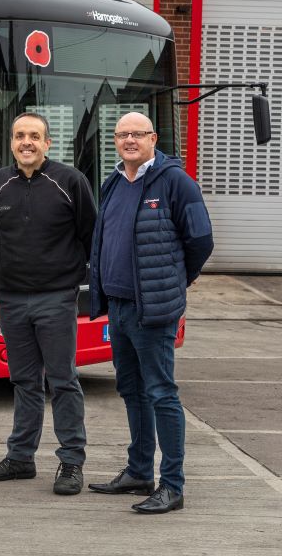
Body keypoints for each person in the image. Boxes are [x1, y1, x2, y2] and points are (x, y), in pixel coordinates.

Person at [88, 112, 213, 514]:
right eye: (122, 134)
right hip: (119, 307)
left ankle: (172, 485)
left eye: (137, 134)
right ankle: (139, 470)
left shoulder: (176, 182)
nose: (129, 140)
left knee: (161, 393)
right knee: (131, 390)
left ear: (153, 138)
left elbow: (201, 240)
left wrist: (176, 281)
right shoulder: (112, 182)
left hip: (153, 310)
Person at [0, 113, 96, 495]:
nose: (26, 142)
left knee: (63, 381)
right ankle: (21, 458)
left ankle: (71, 462)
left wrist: (81, 287)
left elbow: (90, 235)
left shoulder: (70, 182)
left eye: (34, 136)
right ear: (11, 143)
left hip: (56, 299)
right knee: (25, 382)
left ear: (48, 143)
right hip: (10, 300)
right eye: (19, 136)